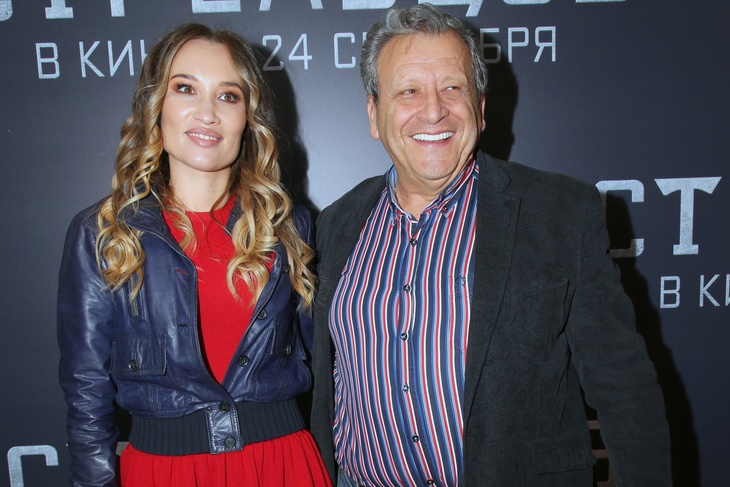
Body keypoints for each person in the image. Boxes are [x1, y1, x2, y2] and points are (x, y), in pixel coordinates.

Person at [310, 4, 670, 486]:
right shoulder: (335, 224)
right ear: (374, 114)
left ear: (480, 107)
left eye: (452, 88)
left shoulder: (560, 213)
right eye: (409, 91)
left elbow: (624, 388)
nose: (433, 110)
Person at [58, 23, 331, 487]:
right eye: (185, 88)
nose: (207, 113)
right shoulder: (103, 233)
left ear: (248, 116)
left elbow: (328, 366)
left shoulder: (289, 225)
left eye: (228, 96)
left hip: (282, 465)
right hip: (163, 472)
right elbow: (86, 393)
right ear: (156, 104)